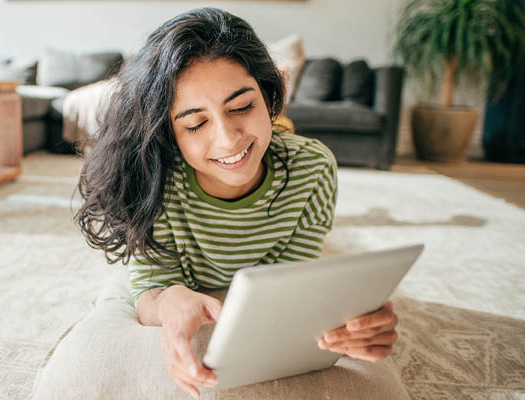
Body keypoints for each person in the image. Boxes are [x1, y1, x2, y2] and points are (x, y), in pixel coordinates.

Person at [74, 7, 399, 399]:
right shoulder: (153, 178)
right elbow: (152, 288)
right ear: (167, 132)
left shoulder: (312, 169)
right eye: (195, 124)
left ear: (269, 95)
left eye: (242, 106)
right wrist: (170, 300)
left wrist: (346, 318)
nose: (229, 141)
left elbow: (290, 279)